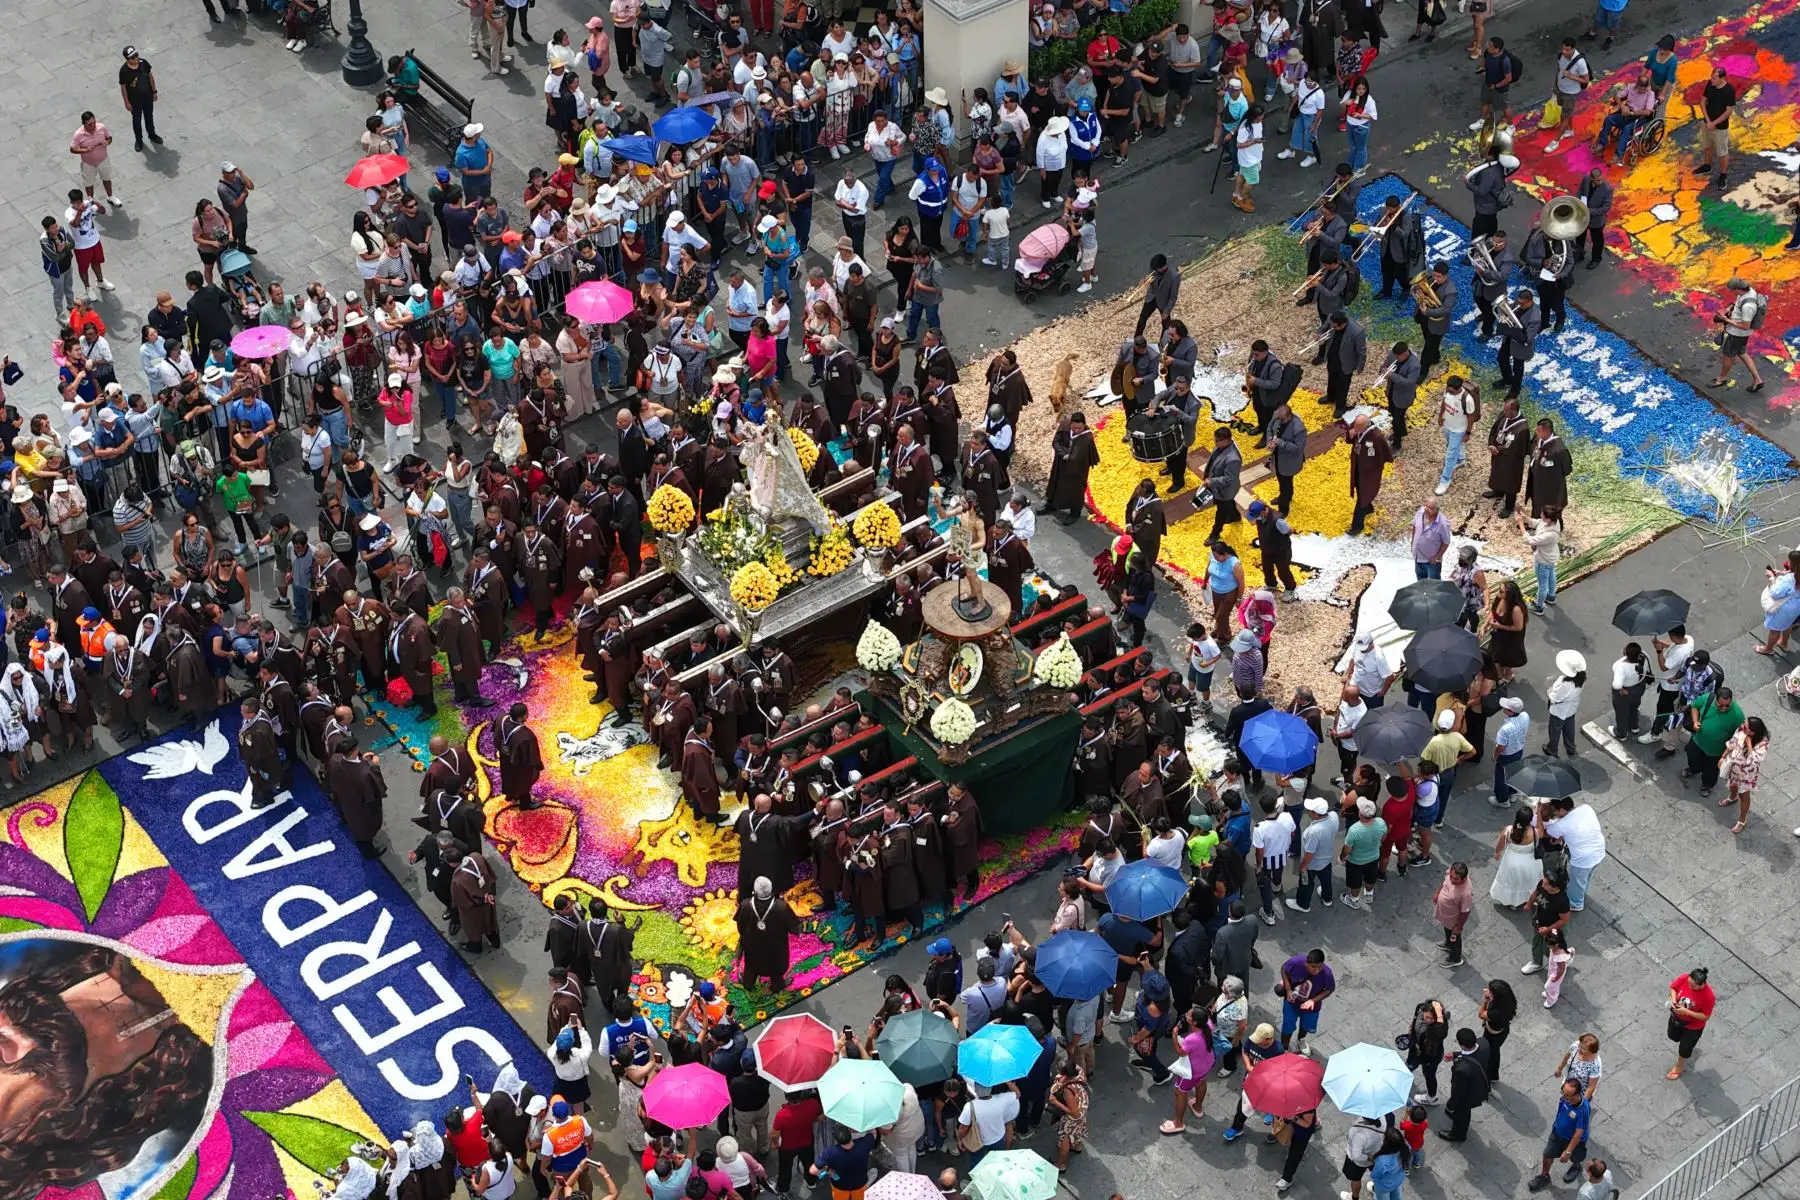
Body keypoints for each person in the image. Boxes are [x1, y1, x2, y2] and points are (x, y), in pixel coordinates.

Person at [1682, 683, 1744, 800]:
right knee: (1692, 758)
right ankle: (1693, 769)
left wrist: (1727, 754)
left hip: (1716, 751)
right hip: (1697, 741)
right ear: (1716, 699)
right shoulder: (1707, 698)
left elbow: (1740, 735)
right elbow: (1695, 706)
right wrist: (1695, 721)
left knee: (1711, 771)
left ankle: (1706, 785)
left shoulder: (1738, 715)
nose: (1724, 708)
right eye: (1721, 705)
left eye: (1727, 705)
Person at [1713, 277, 1767, 392]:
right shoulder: (1748, 292)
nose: (1731, 293)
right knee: (1742, 353)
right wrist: (1729, 310)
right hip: (1739, 334)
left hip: (1737, 334)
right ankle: (1758, 380)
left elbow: (1745, 326)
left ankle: (1722, 378)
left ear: (1738, 289)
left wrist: (1727, 321)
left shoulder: (1748, 306)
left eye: (1732, 290)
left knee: (1728, 356)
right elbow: (1738, 304)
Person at [1439, 1027, 1489, 1142]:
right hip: (1479, 1082)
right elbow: (1472, 1054)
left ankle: (1458, 1134)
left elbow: (1458, 1091)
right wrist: (1457, 1055)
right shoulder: (1484, 1043)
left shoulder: (1462, 1069)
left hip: (1468, 1095)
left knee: (1462, 1113)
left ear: (1462, 1045)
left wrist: (1452, 1104)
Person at [1667, 966, 1715, 1080]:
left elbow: (1705, 1016)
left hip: (1693, 1026)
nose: (1690, 987)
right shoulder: (1684, 977)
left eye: (1693, 986)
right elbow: (1673, 988)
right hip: (1677, 1017)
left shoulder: (1708, 996)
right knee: (1672, 1036)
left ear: (1701, 984)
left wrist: (1686, 1012)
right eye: (1689, 983)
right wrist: (1674, 1001)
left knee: (1684, 1048)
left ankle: (1679, 1066)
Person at [1490, 804, 1539, 908]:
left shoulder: (1509, 830)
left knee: (1511, 882)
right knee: (1524, 882)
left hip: (1511, 862)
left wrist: (1497, 853)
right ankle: (1521, 901)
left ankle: (1511, 902)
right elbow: (1537, 844)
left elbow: (1500, 845)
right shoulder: (1534, 832)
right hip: (1529, 862)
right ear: (1530, 820)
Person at [1433, 862, 1473, 967]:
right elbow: (1444, 882)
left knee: (1454, 937)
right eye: (1451, 876)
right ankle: (1448, 944)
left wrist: (1458, 927)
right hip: (1445, 915)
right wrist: (1437, 894)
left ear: (1463, 879)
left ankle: (1455, 959)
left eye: (1455, 879)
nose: (1451, 880)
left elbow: (1465, 911)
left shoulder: (1466, 894)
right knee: (1447, 931)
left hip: (1453, 920)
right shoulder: (1451, 873)